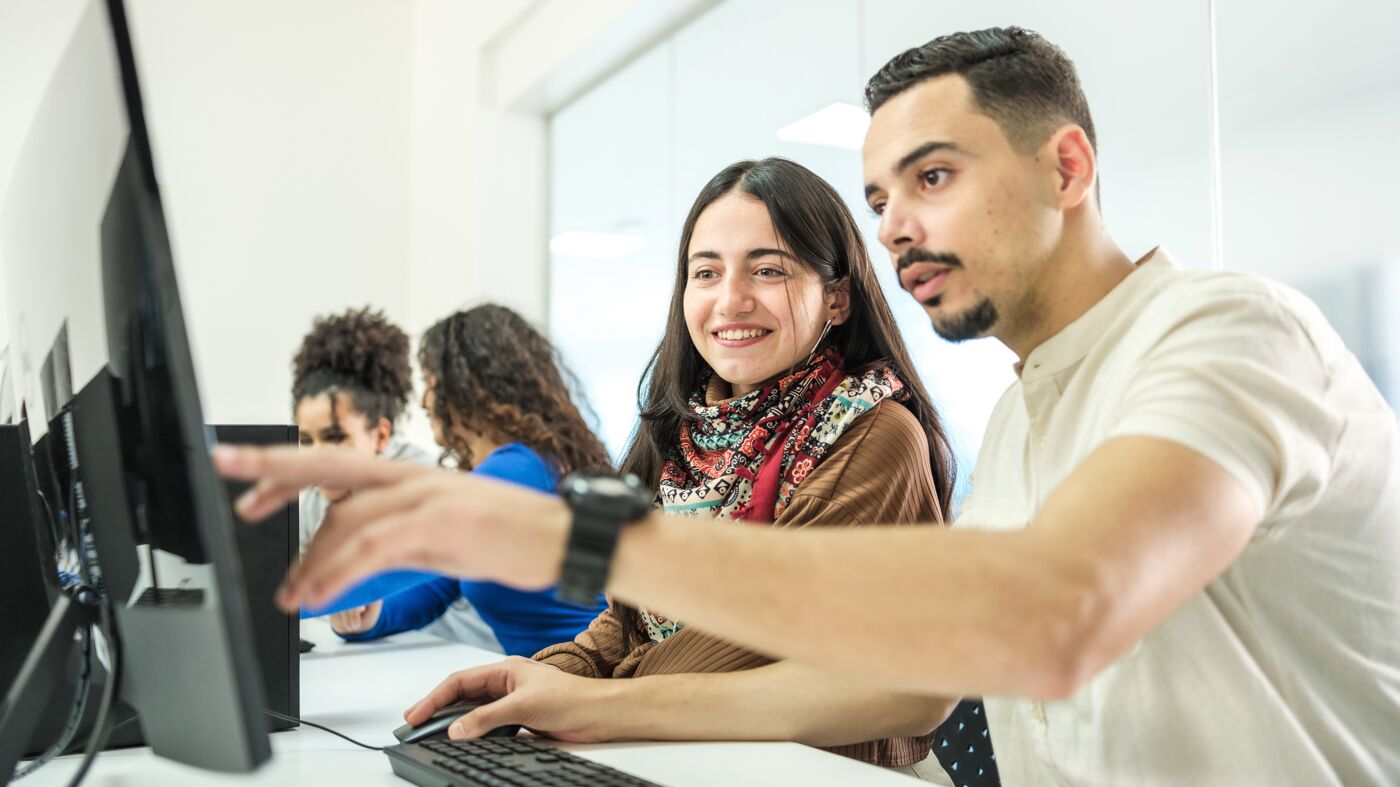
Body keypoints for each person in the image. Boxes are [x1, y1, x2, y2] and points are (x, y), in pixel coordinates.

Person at [220, 27, 1400, 786]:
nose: (894, 225)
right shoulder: (1032, 415)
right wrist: (569, 701)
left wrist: (565, 535)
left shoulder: (1228, 331)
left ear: (1067, 167)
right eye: (881, 193)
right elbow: (905, 683)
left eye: (932, 177)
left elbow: (1052, 615)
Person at [427, 159, 965, 775]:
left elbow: (756, 638)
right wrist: (544, 678)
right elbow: (630, 621)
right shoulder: (677, 430)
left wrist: (595, 700)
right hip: (687, 754)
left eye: (767, 270)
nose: (730, 300)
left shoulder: (871, 433)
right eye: (706, 272)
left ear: (837, 298)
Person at [313, 304, 612, 658]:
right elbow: (436, 589)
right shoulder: (521, 468)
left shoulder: (522, 468)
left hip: (583, 684)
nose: (425, 400)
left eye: (430, 382)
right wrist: (371, 617)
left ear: (469, 389)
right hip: (548, 682)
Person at [290, 307, 499, 650]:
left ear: (381, 436)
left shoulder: (420, 485)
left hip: (454, 651)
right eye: (305, 441)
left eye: (336, 438)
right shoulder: (318, 499)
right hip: (388, 655)